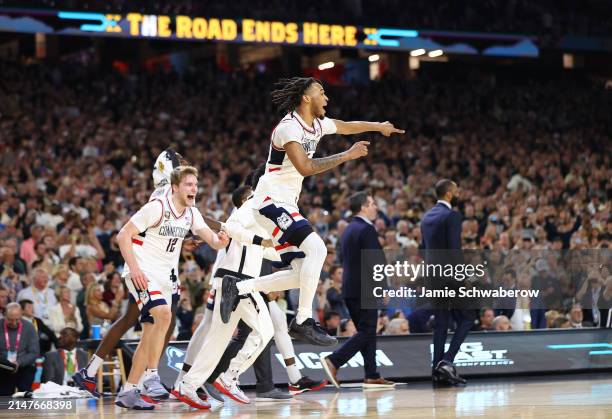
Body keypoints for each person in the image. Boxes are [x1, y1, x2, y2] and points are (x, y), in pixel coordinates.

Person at [221, 76, 404, 346]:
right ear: (306, 97)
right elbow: (305, 167)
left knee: (300, 272)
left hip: (285, 203)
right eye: (321, 92)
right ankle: (304, 320)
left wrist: (378, 126)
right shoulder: (288, 128)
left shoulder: (317, 124)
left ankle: (238, 287)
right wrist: (346, 155)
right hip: (270, 201)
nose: (327, 98)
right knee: (317, 249)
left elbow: (344, 126)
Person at [114, 165, 229, 410]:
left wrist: (221, 241)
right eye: (189, 184)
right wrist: (134, 269)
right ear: (175, 187)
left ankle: (128, 391)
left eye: (196, 185)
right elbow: (123, 235)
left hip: (166, 278)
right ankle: (151, 376)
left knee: (151, 334)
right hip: (142, 272)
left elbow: (212, 241)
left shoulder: (191, 213)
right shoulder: (157, 207)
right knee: (163, 315)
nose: (194, 189)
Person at [174, 181, 287, 408]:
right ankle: (230, 376)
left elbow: (266, 250)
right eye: (253, 195)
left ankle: (188, 384)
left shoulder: (253, 224)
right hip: (238, 282)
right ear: (245, 201)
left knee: (217, 340)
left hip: (227, 282)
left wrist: (290, 251)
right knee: (265, 331)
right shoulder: (244, 215)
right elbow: (233, 230)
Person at [320, 192, 394, 389]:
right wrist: (383, 288)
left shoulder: (348, 229)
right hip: (366, 288)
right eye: (372, 204)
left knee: (366, 331)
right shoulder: (367, 229)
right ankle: (334, 361)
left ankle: (371, 374)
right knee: (368, 331)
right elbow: (374, 261)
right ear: (363, 207)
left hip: (350, 288)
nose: (375, 207)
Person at [421, 179, 475, 387]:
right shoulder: (452, 216)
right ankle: (447, 361)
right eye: (457, 189)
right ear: (450, 194)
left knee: (441, 323)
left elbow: (423, 247)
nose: (459, 192)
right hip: (450, 276)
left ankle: (437, 372)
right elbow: (454, 250)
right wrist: (463, 278)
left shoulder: (427, 217)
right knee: (468, 317)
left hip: (432, 276)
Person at [0, 303, 39, 396]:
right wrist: (5, 362)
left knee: (24, 391)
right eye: (10, 320)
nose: (14, 323)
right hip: (3, 366)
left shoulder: (29, 327)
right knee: (4, 394)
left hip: (24, 366)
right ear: (5, 315)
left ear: (21, 315)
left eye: (17, 319)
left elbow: (34, 352)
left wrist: (19, 362)